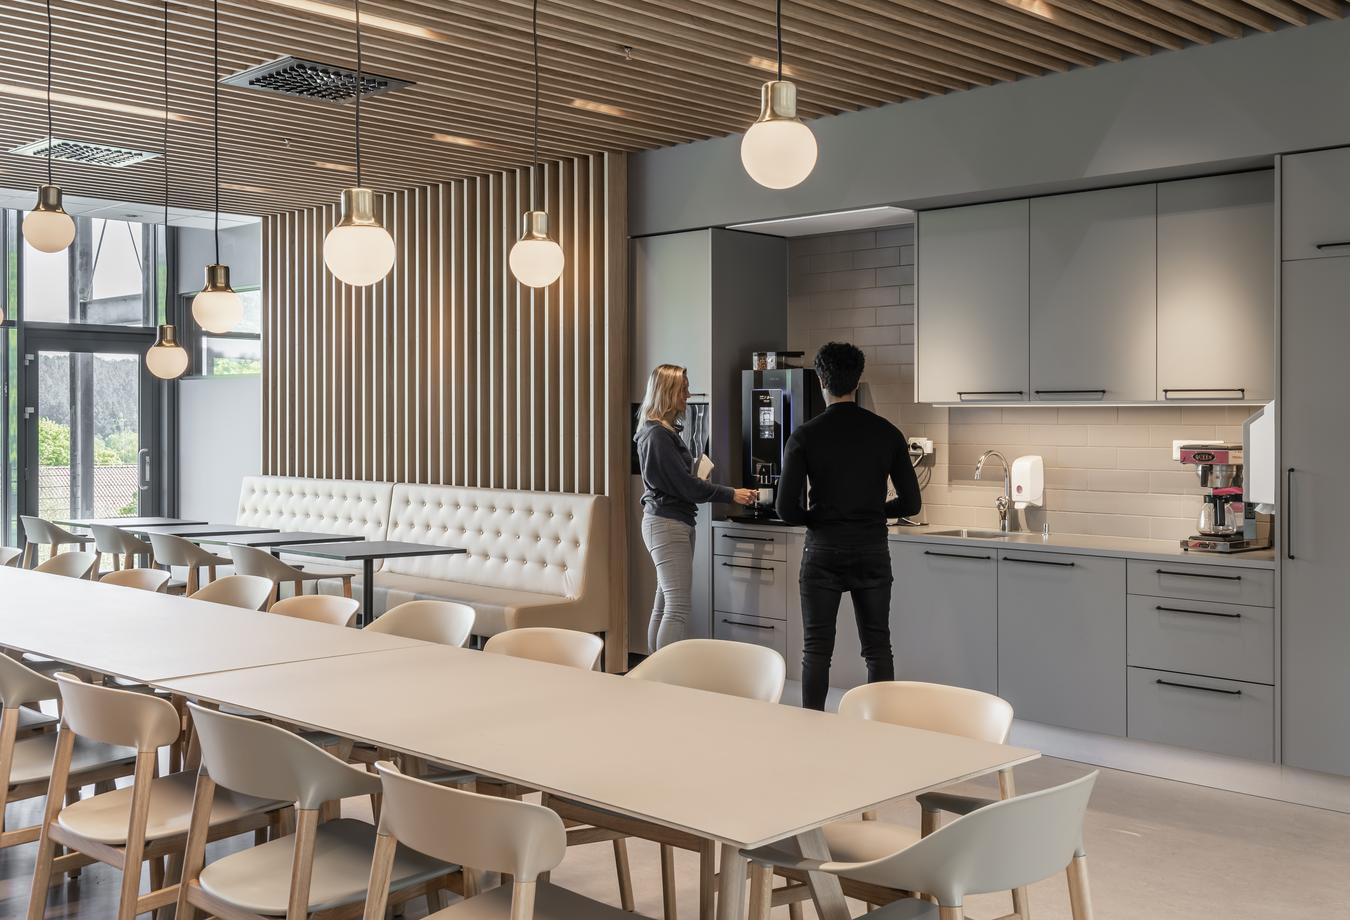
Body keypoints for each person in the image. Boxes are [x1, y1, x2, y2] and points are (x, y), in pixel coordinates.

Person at [776, 342, 922, 710]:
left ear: (821, 381)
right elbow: (911, 503)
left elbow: (786, 509)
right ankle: (881, 726)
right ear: (857, 381)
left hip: (822, 551)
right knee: (877, 647)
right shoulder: (886, 433)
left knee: (817, 648)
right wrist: (872, 509)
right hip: (871, 550)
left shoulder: (805, 436)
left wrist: (819, 516)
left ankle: (813, 727)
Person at [636, 364, 756, 650]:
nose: (688, 395)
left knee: (664, 600)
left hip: (670, 522)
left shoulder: (660, 432)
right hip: (667, 524)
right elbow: (686, 487)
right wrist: (731, 494)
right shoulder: (657, 436)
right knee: (677, 606)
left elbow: (678, 482)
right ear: (667, 392)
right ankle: (666, 679)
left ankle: (654, 675)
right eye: (683, 389)